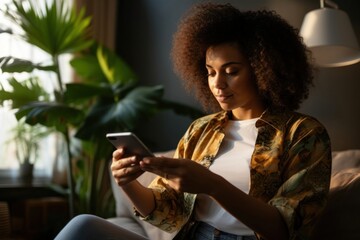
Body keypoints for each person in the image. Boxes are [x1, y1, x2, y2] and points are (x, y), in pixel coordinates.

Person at [55, 3, 332, 240]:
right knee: (84, 226)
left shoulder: (304, 134)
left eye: (231, 71)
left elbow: (284, 229)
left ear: (264, 70)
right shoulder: (202, 130)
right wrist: (127, 182)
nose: (218, 83)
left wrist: (213, 185)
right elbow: (165, 211)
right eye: (210, 72)